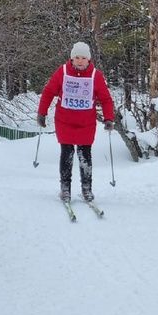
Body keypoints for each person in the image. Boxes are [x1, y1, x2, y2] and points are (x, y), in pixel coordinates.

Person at [37, 41, 115, 203]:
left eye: (83, 58)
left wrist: (109, 118)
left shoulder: (95, 75)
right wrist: (42, 113)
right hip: (64, 121)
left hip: (86, 123)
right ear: (72, 59)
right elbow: (49, 92)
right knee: (67, 154)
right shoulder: (63, 72)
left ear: (89, 60)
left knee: (85, 155)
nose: (80, 61)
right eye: (77, 57)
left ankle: (87, 189)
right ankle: (65, 189)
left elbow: (106, 99)